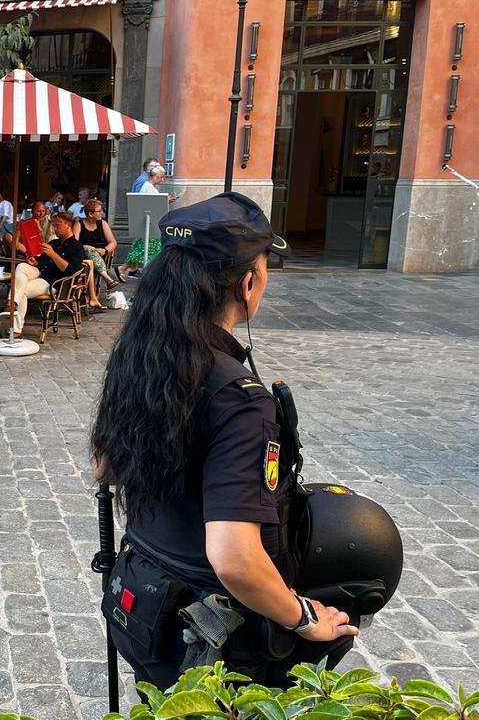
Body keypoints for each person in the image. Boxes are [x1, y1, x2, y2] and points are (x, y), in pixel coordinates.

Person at [90, 192, 362, 690]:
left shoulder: (144, 356)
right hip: (207, 641)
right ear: (248, 282)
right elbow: (234, 557)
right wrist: (304, 617)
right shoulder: (240, 399)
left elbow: (103, 468)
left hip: (143, 601)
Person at [7, 211, 85, 337]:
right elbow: (41, 262)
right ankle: (14, 301)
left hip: (55, 282)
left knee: (22, 291)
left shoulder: (76, 246)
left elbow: (71, 270)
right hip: (41, 273)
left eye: (58, 225)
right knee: (21, 266)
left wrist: (53, 254)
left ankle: (16, 328)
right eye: (54, 225)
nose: (55, 228)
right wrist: (33, 260)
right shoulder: (54, 243)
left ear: (68, 225)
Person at [117, 164, 177, 282]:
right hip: (149, 224)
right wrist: (166, 200)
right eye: (161, 177)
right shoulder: (148, 187)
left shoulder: (148, 186)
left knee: (142, 249)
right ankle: (127, 269)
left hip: (149, 223)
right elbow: (152, 204)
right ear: (155, 176)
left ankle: (125, 268)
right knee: (145, 250)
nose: (162, 180)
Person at [75, 197, 119, 308]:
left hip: (102, 256)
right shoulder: (79, 224)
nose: (102, 213)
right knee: (90, 251)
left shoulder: (102, 224)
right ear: (90, 214)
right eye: (99, 211)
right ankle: (107, 278)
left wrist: (105, 250)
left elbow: (113, 242)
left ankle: (91, 297)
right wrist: (84, 246)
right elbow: (73, 244)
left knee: (92, 258)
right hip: (84, 257)